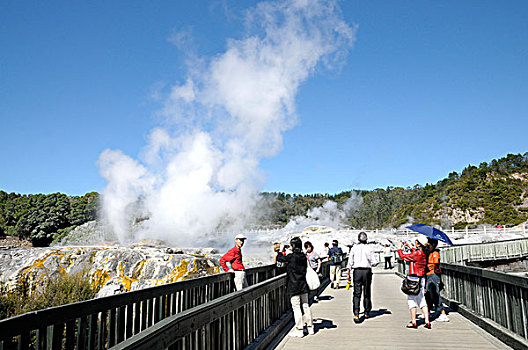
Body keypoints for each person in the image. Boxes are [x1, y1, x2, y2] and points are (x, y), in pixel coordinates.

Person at [277, 237, 314, 337]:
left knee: (296, 308)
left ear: (293, 246)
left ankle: (299, 329)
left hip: (293, 286)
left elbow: (279, 259)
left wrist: (281, 250)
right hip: (303, 285)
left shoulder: (291, 257)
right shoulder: (303, 256)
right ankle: (310, 328)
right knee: (306, 306)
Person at [398, 236, 431, 329]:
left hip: (413, 279)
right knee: (422, 299)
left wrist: (400, 248)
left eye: (416, 242)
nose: (415, 243)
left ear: (419, 244)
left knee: (411, 299)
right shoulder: (424, 252)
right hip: (422, 278)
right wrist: (410, 247)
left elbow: (403, 257)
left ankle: (413, 322)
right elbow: (415, 254)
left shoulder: (418, 253)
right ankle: (427, 320)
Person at [347, 232, 378, 322]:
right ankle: (367, 312)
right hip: (367, 271)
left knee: (357, 293)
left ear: (358, 239)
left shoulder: (354, 248)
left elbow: (350, 262)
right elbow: (374, 262)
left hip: (357, 271)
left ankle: (356, 312)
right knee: (367, 292)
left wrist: (348, 273)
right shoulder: (369, 248)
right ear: (366, 239)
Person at [425, 238, 449, 322]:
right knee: (428, 294)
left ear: (433, 245)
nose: (428, 245)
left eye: (429, 244)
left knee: (435, 294)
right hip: (428, 275)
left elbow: (435, 264)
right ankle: (427, 311)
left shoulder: (435, 253)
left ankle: (443, 313)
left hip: (433, 275)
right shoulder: (429, 252)